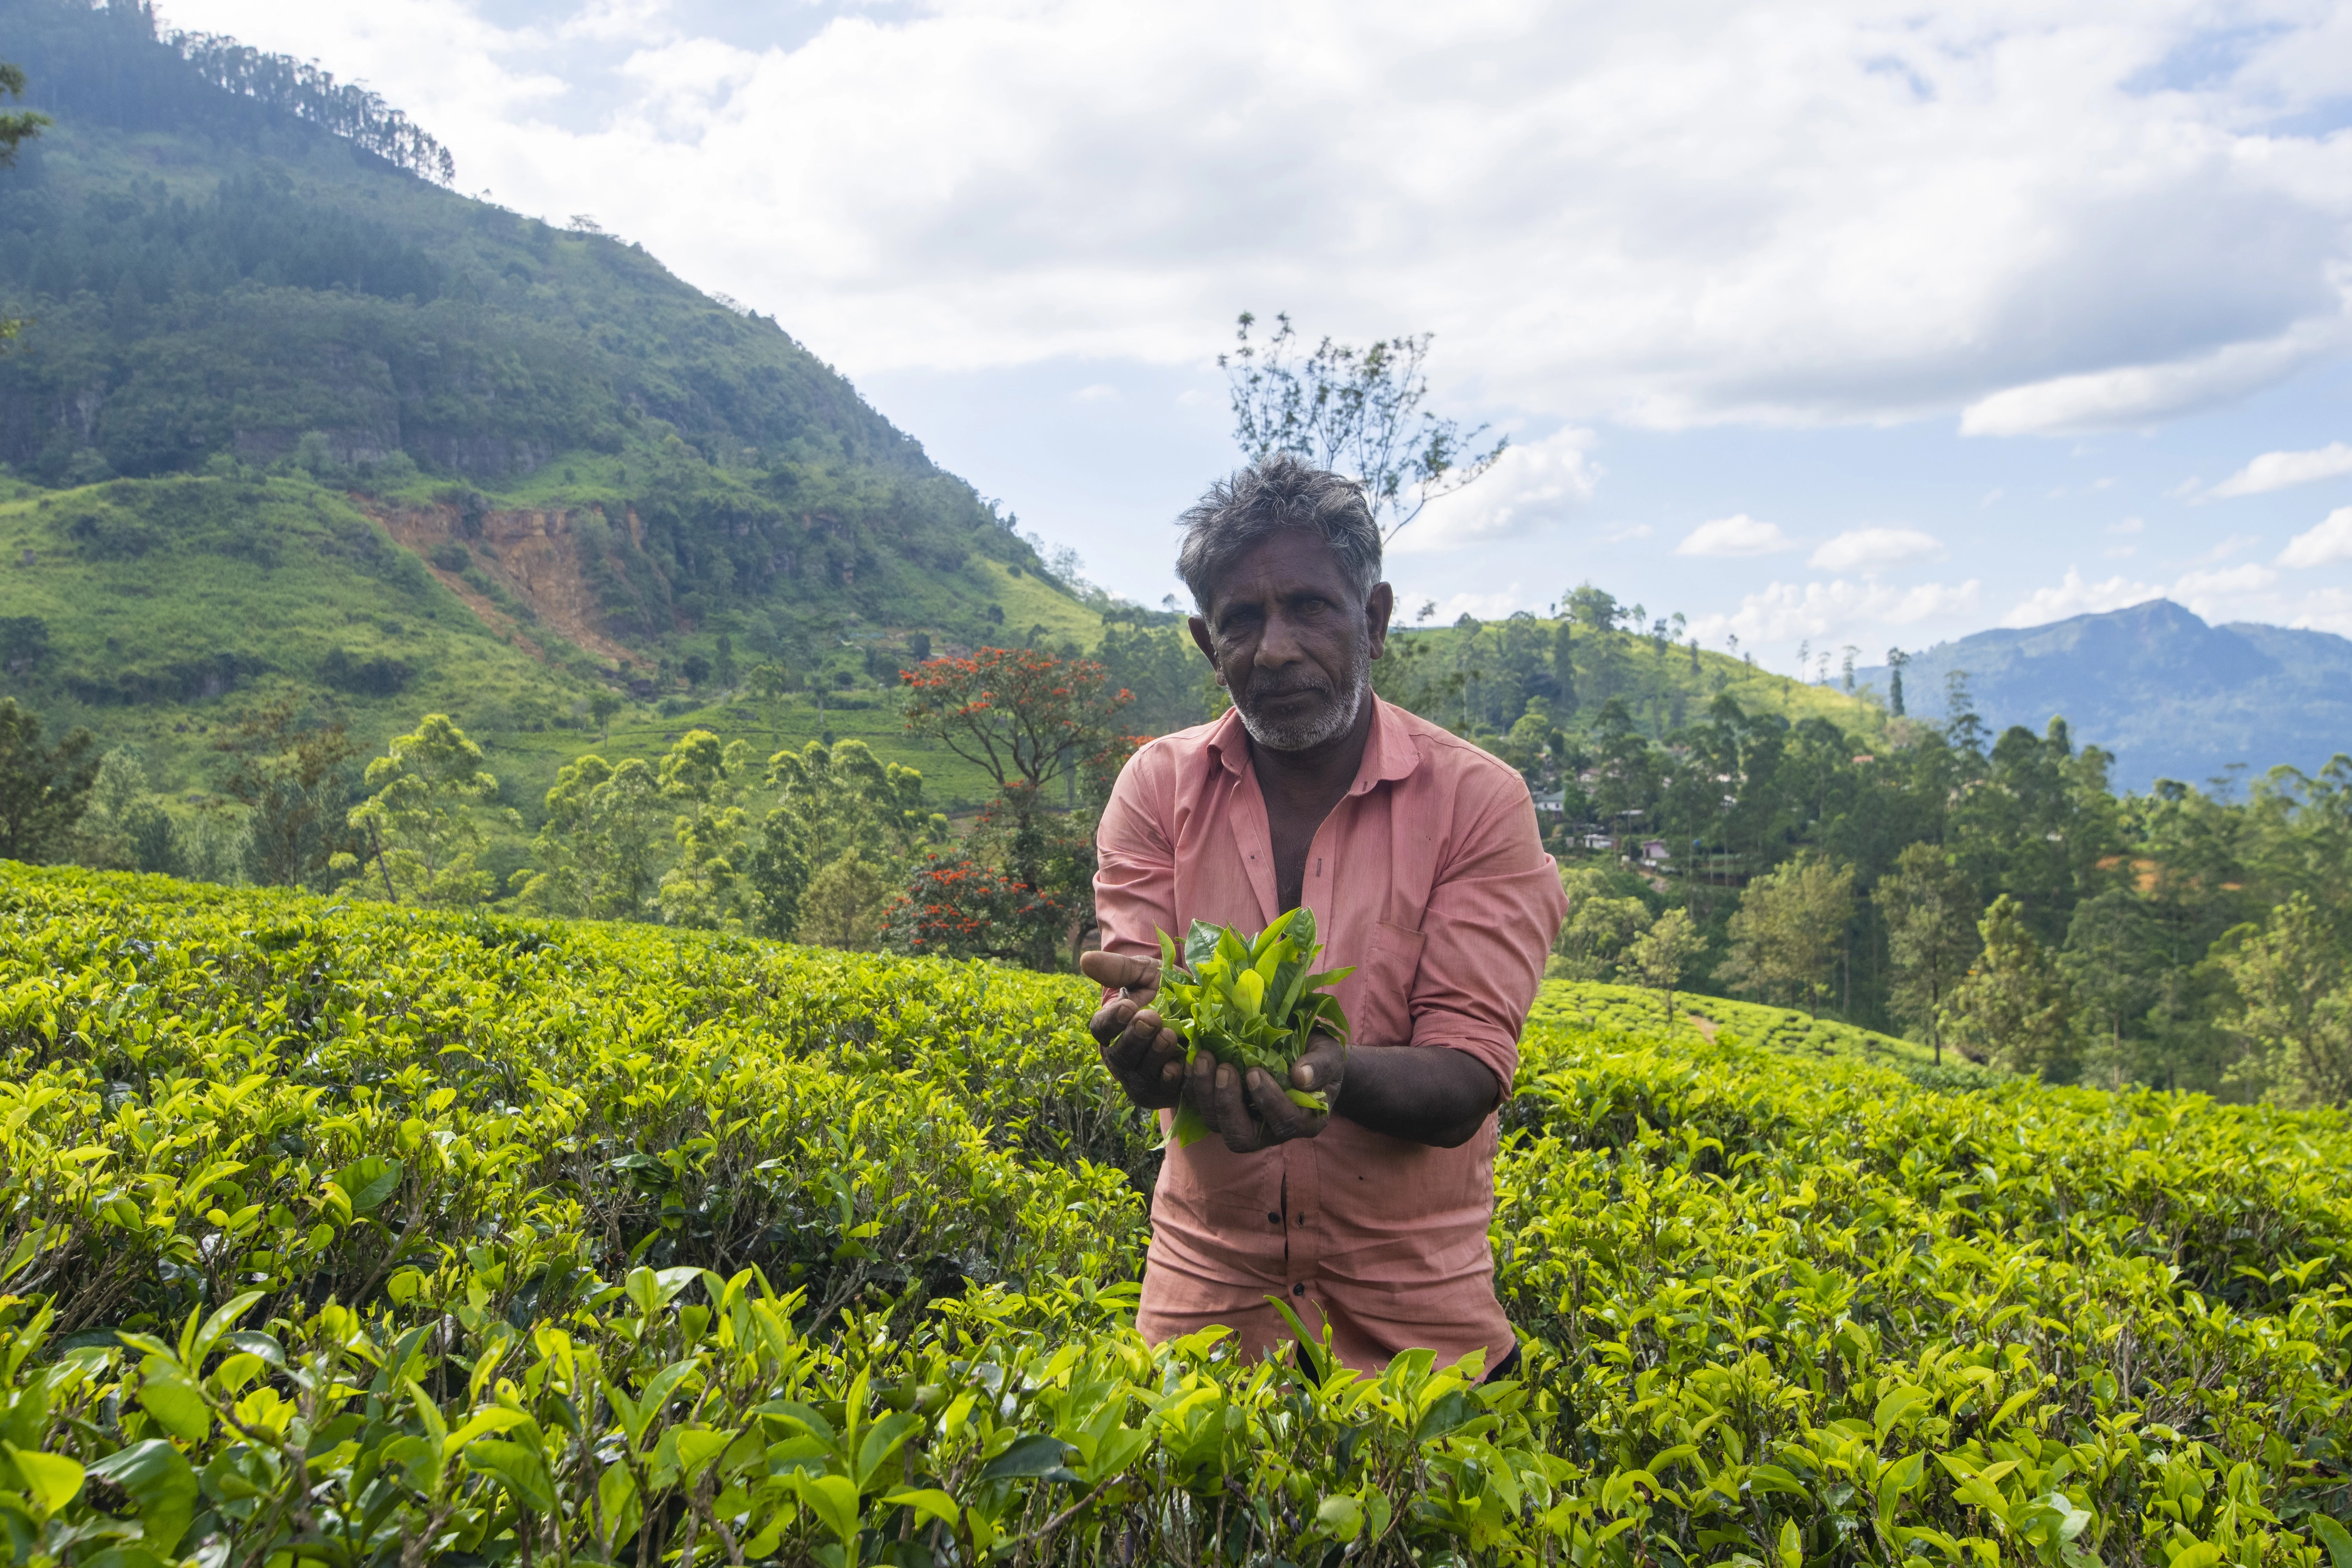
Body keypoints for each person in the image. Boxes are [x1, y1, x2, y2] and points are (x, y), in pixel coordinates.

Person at [1080, 454, 1568, 1378]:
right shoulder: (1156, 789)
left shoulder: (1477, 802)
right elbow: (1145, 1016)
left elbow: (1466, 1078)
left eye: (1308, 607)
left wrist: (1323, 1072)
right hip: (1206, 1315)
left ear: (1373, 620)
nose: (1275, 648)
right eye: (1242, 621)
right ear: (1203, 641)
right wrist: (1145, 1048)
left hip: (1422, 1337)